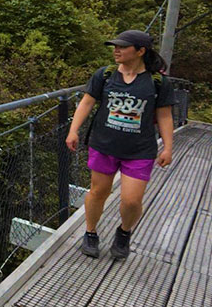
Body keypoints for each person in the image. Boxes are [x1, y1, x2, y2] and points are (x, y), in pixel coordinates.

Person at [65, 29, 176, 260]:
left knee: (132, 200)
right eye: (115, 46)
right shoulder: (105, 75)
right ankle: (90, 233)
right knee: (98, 192)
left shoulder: (157, 82)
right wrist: (73, 130)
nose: (116, 50)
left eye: (123, 47)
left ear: (140, 51)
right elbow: (87, 103)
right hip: (104, 144)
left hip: (140, 150)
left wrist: (168, 147)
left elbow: (164, 115)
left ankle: (124, 232)